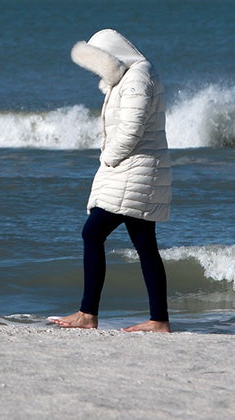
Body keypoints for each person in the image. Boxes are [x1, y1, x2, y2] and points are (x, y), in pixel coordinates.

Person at [49, 29, 172, 333]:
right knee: (144, 243)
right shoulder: (132, 76)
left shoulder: (137, 77)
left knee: (93, 233)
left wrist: (109, 159)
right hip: (135, 169)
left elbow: (131, 129)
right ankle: (158, 320)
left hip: (134, 169)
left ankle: (88, 314)